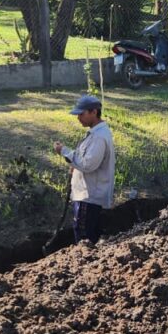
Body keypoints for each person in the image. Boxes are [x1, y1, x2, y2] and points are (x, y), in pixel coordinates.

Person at [53, 94, 116, 245]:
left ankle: (85, 265)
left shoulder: (99, 137)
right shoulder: (96, 133)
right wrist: (75, 166)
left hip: (89, 196)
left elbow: (88, 165)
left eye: (81, 114)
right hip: (88, 193)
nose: (78, 118)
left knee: (84, 237)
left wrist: (64, 151)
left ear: (94, 112)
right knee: (88, 236)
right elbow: (85, 161)